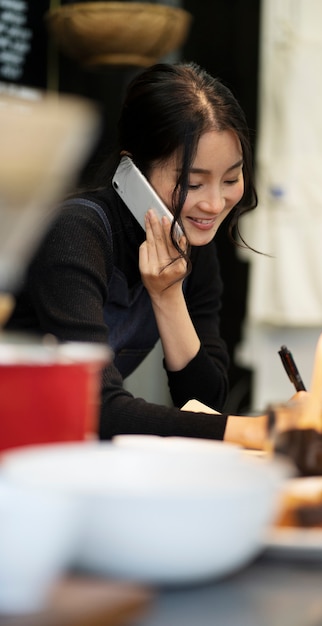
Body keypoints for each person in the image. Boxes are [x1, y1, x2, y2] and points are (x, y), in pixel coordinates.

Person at [6, 62, 293, 449]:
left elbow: (205, 402)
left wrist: (168, 296)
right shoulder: (75, 232)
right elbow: (96, 406)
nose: (214, 203)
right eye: (192, 183)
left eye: (231, 179)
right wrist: (250, 429)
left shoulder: (192, 237)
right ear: (134, 169)